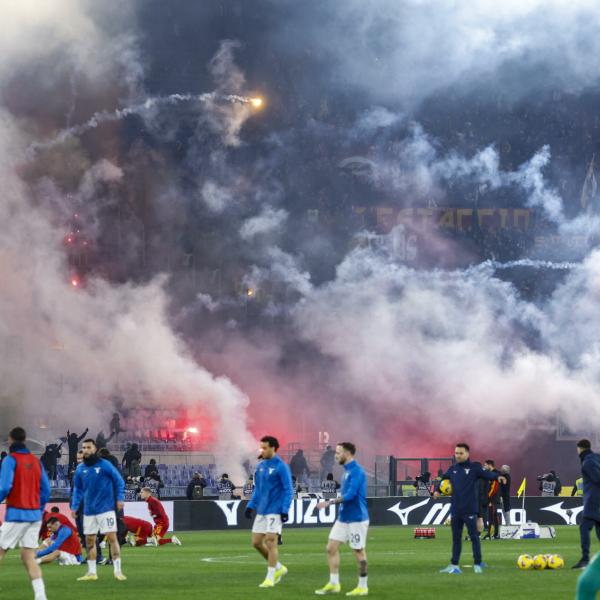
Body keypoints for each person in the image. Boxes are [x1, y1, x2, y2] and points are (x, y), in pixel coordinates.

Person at [435, 443, 506, 575]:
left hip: (470, 510)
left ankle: (478, 563)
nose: (458, 455)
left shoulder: (475, 468)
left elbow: (488, 475)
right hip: (456, 510)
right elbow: (441, 481)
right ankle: (454, 565)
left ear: (467, 454)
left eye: (461, 453)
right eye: (456, 453)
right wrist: (436, 491)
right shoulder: (452, 469)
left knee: (474, 537)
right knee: (456, 539)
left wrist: (498, 476)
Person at [0, 426, 51, 600]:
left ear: (10, 440)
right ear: (25, 439)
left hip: (16, 514)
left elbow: (5, 486)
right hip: (34, 516)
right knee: (28, 556)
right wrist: (39, 509)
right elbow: (46, 490)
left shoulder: (10, 460)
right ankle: (40, 596)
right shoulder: (36, 461)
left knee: (0, 551)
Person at [315, 442, 369, 596]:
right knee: (331, 548)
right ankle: (334, 583)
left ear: (347, 453)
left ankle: (363, 586)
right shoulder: (346, 471)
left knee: (358, 551)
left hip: (357, 518)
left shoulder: (357, 471)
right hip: (344, 517)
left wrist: (329, 502)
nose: (336, 455)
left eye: (338, 453)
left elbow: (351, 495)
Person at [70, 438, 126, 581]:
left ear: (95, 449)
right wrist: (75, 506)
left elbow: (119, 481)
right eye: (83, 448)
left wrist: (120, 498)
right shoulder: (80, 469)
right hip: (88, 511)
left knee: (112, 538)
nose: (85, 450)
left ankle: (118, 571)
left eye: (88, 447)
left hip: (106, 509)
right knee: (89, 541)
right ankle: (92, 572)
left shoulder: (105, 465)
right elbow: (77, 489)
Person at [245, 435, 293, 588]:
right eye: (261, 448)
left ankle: (270, 577)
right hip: (262, 510)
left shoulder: (281, 466)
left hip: (276, 510)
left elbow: (288, 490)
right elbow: (258, 490)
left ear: (273, 448)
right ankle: (279, 568)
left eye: (264, 448)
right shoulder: (260, 466)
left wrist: (284, 510)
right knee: (256, 543)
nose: (262, 450)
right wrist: (251, 505)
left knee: (271, 541)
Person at [572, 439, 600, 570]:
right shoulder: (596, 458)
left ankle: (585, 559)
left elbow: (597, 478)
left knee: (584, 527)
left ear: (579, 448)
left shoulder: (587, 462)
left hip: (594, 501)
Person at [482, 460, 501, 540]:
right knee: (494, 516)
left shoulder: (495, 474)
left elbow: (494, 488)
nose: (484, 467)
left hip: (492, 499)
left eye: (485, 465)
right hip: (491, 498)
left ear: (490, 465)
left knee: (491, 517)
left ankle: (490, 534)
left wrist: (488, 497)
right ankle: (496, 534)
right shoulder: (490, 474)